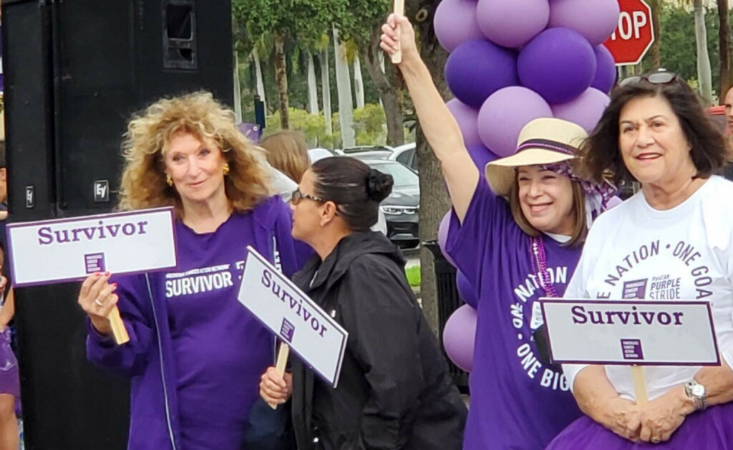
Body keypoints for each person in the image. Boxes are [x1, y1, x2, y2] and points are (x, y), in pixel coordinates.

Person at [380, 14, 616, 450]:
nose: (532, 192)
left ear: (579, 184)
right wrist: (410, 60)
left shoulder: (613, 247)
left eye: (548, 177)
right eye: (524, 179)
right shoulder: (497, 233)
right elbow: (450, 148)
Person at [78, 92, 306, 450]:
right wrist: (103, 325)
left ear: (225, 158)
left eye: (203, 153)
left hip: (268, 428)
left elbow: (314, 310)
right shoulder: (146, 243)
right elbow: (129, 355)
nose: (194, 169)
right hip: (179, 433)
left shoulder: (270, 220)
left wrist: (295, 378)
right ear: (165, 171)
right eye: (178, 159)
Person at [545, 71, 733, 449]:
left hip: (713, 422)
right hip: (621, 429)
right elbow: (576, 343)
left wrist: (682, 400)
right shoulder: (607, 227)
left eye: (657, 124)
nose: (642, 139)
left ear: (688, 134)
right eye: (628, 128)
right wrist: (612, 410)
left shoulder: (724, 210)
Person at [259, 156, 467, 449]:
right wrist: (294, 384)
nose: (291, 205)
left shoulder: (368, 275)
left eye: (299, 197)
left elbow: (396, 386)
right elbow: (340, 370)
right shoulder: (315, 273)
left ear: (327, 211)